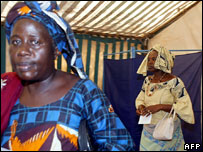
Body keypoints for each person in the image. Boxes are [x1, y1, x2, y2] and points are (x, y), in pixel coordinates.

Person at [1, 2, 135, 151]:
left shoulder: (83, 92)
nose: (22, 51)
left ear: (56, 49)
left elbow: (121, 145)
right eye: (16, 42)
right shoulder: (7, 90)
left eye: (35, 42)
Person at [135, 44, 195, 151]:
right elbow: (141, 98)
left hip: (167, 132)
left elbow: (184, 106)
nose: (150, 62)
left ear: (164, 60)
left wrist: (160, 107)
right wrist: (140, 107)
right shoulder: (147, 81)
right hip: (148, 131)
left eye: (154, 59)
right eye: (148, 59)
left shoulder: (174, 82)